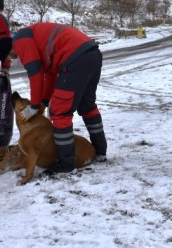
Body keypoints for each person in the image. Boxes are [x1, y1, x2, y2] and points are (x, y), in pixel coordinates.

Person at [10, 22, 107, 174]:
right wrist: (44, 101)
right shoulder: (34, 36)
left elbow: (35, 74)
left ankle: (66, 163)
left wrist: (35, 105)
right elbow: (50, 74)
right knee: (87, 106)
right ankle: (100, 152)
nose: (13, 60)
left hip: (75, 59)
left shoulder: (20, 42)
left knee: (60, 111)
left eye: (9, 57)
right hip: (91, 54)